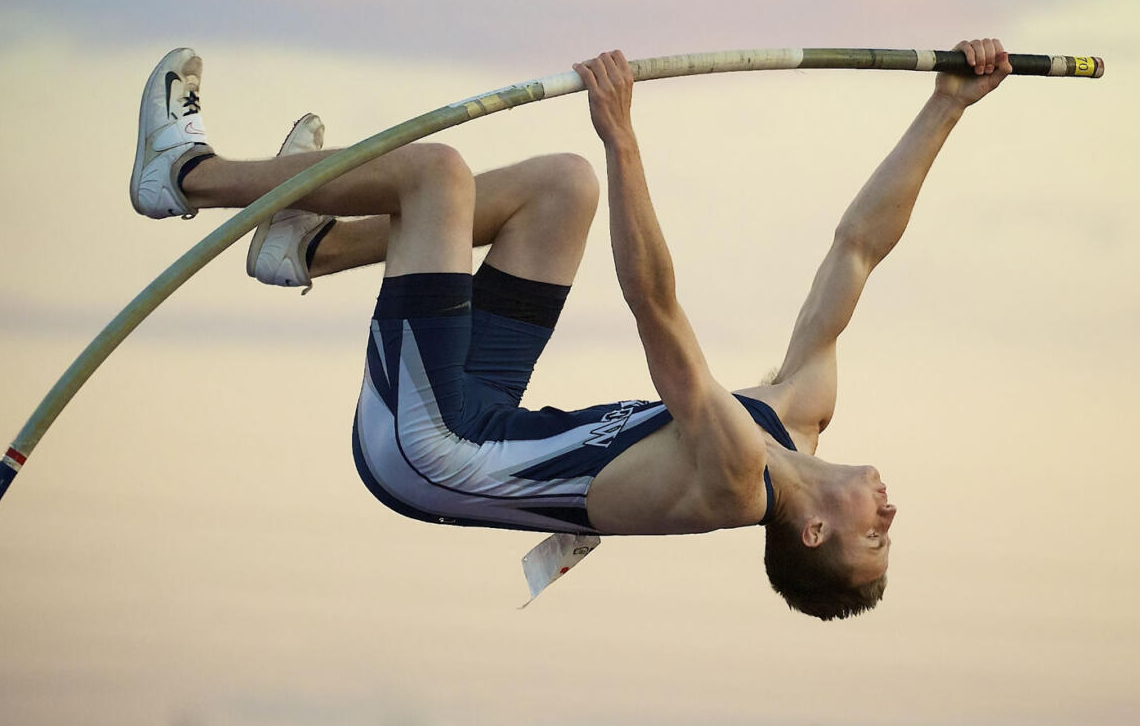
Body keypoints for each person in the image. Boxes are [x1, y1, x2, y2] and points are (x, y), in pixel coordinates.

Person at [130, 39, 1011, 619]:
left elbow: (655, 307)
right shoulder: (801, 410)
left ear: (814, 531)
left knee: (437, 174)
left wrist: (625, 135)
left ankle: (184, 177)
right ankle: (309, 246)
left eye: (876, 531)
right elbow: (858, 248)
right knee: (563, 187)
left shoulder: (734, 476)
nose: (891, 511)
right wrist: (946, 107)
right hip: (486, 411)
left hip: (425, 447)